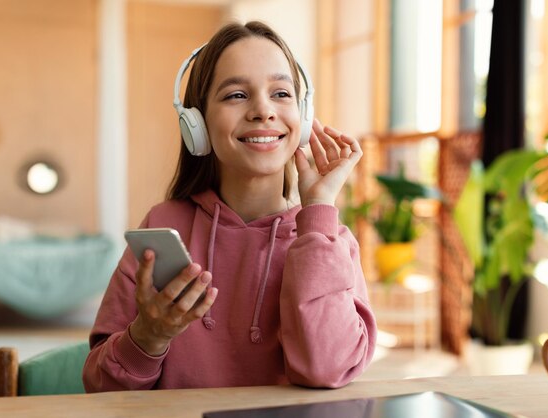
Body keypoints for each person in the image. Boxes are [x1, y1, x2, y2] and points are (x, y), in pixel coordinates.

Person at [83, 20, 377, 392]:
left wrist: (317, 210)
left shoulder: (328, 239)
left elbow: (327, 370)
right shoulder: (162, 226)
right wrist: (148, 337)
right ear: (197, 122)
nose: (262, 110)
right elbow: (99, 387)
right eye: (236, 95)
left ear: (303, 118)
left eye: (281, 93)